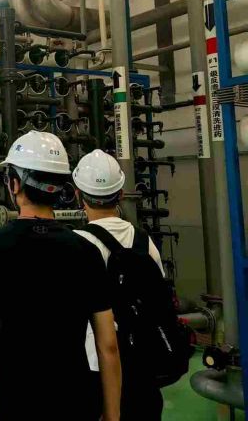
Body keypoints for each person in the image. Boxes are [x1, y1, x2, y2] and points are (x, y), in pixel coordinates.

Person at [0, 131, 121, 421]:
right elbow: (108, 345)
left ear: (14, 184)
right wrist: (113, 416)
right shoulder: (85, 251)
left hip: (10, 406)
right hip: (73, 406)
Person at [73, 149, 166, 420]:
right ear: (121, 194)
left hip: (93, 365)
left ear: (78, 195)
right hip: (143, 361)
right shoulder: (144, 241)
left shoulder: (77, 244)